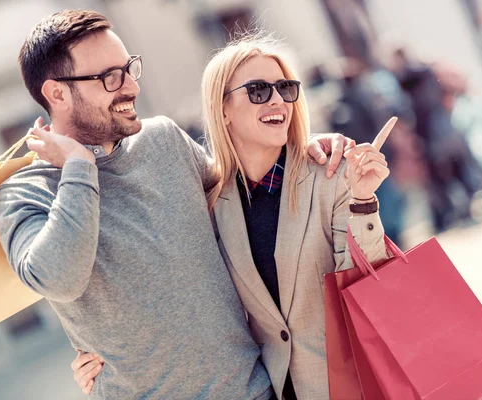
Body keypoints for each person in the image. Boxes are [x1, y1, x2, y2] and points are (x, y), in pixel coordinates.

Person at [0, 10, 349, 400]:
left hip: (254, 391)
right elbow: (57, 278)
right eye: (110, 77)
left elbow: (245, 197)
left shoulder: (163, 139)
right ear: (56, 94)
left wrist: (304, 151)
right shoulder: (24, 192)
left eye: (129, 69)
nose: (131, 87)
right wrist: (80, 167)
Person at [72, 35, 395, 399]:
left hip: (351, 384)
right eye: (258, 90)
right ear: (222, 109)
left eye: (285, 89)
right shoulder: (210, 201)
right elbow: (168, 282)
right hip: (270, 388)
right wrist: (104, 356)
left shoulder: (329, 177)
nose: (276, 100)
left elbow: (367, 280)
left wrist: (364, 199)